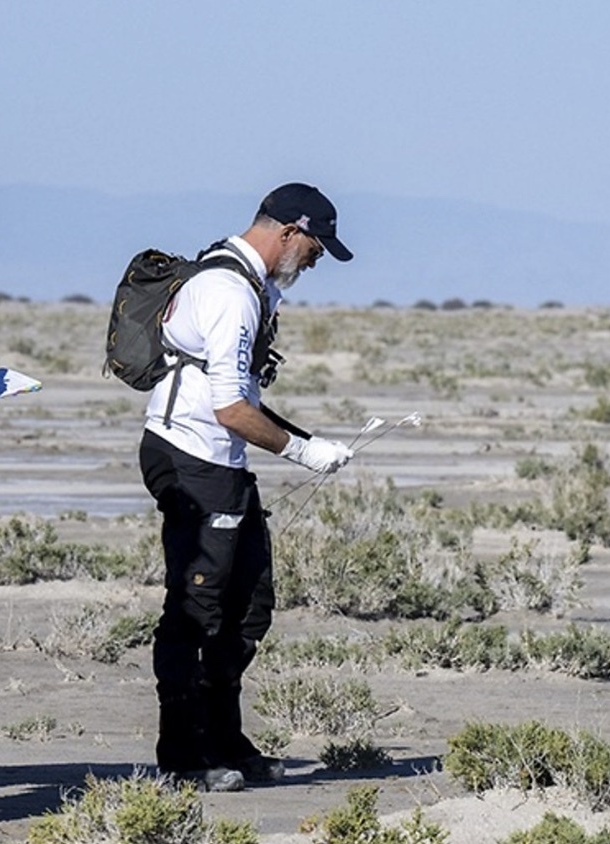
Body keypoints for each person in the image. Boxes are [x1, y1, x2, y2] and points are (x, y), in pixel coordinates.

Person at [141, 182, 356, 792]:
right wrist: (302, 450)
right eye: (315, 247)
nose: (315, 261)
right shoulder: (230, 292)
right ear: (289, 231)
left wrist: (304, 440)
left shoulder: (248, 283)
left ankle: (224, 737)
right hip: (191, 456)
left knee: (247, 603)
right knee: (197, 608)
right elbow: (230, 408)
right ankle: (183, 755)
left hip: (219, 460)